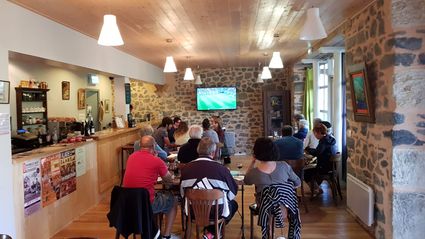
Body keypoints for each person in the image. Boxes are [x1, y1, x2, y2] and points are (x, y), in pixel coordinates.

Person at [180, 137, 238, 235]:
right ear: (213, 152)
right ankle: (211, 232)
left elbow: (182, 194)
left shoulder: (186, 169)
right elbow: (232, 194)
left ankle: (210, 232)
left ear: (198, 151)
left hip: (193, 212)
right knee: (233, 204)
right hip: (216, 212)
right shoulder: (221, 169)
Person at [123, 136, 178, 239]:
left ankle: (151, 229)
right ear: (154, 146)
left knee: (155, 195)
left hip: (128, 203)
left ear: (140, 146)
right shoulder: (156, 161)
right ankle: (166, 235)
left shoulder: (131, 157)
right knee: (173, 200)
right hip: (147, 203)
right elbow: (169, 180)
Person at [244, 137, 301, 205]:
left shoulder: (254, 173)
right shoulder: (284, 166)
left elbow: (246, 181)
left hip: (264, 208)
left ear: (256, 152)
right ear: (274, 150)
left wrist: (253, 162)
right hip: (284, 207)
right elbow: (298, 183)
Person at [304, 123, 338, 193]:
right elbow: (319, 151)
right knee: (311, 169)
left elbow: (317, 153)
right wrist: (311, 150)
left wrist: (307, 149)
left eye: (315, 133)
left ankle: (316, 189)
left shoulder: (323, 141)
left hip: (324, 168)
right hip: (331, 167)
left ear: (319, 132)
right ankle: (316, 188)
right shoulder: (330, 139)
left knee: (305, 172)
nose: (315, 135)